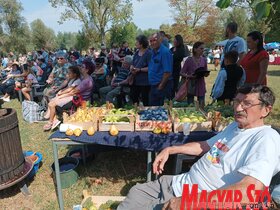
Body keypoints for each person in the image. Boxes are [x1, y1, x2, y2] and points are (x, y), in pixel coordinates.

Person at [118, 84, 280, 210]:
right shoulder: (234, 126)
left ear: (266, 110)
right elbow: (205, 146)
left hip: (193, 199)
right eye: (237, 101)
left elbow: (251, 192)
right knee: (136, 192)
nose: (238, 108)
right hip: (178, 183)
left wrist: (191, 202)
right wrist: (171, 149)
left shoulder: (266, 138)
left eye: (247, 104)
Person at [180, 42, 209, 107]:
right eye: (201, 48)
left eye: (203, 49)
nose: (202, 50)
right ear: (195, 49)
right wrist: (189, 76)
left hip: (201, 84)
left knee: (201, 105)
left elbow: (205, 71)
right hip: (191, 85)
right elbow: (181, 72)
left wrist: (206, 74)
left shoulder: (204, 60)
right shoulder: (189, 60)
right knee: (190, 105)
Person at [148, 32, 173, 106]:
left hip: (163, 86)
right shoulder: (152, 52)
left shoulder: (165, 52)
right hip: (154, 85)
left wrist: (160, 86)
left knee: (161, 111)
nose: (152, 43)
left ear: (160, 40)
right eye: (151, 41)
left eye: (154, 40)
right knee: (153, 109)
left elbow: (167, 72)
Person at [129, 35, 152, 106]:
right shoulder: (136, 53)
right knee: (134, 98)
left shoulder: (149, 53)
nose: (135, 43)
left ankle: (146, 116)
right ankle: (136, 114)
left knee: (145, 100)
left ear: (141, 44)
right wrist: (132, 68)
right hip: (135, 81)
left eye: (137, 42)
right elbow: (132, 64)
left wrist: (140, 70)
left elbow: (151, 67)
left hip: (145, 82)